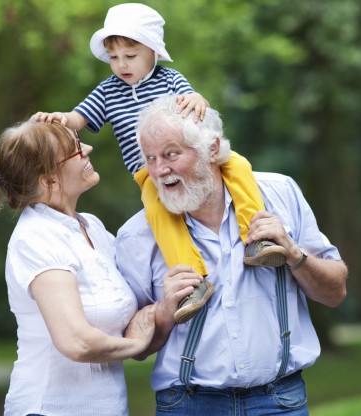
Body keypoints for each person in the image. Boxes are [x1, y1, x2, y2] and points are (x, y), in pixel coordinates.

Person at [34, 3, 288, 324]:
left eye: (130, 55)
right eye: (114, 57)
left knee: (238, 166)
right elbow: (78, 118)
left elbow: (192, 99)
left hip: (189, 156)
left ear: (153, 51)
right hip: (147, 172)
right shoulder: (107, 91)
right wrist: (61, 119)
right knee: (160, 213)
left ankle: (256, 238)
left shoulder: (170, 79)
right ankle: (192, 277)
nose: (121, 65)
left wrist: (198, 99)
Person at [115, 95, 348, 415]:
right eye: (150, 158)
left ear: (212, 149)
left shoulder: (280, 193)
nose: (159, 170)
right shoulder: (136, 235)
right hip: (188, 404)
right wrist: (165, 310)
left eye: (170, 154)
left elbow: (336, 292)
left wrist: (294, 254)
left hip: (280, 402)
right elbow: (135, 347)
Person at [0, 119, 156, 416]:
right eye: (75, 149)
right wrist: (135, 344)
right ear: (47, 180)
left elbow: (136, 310)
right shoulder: (37, 237)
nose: (88, 148)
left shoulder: (91, 227)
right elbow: (76, 341)